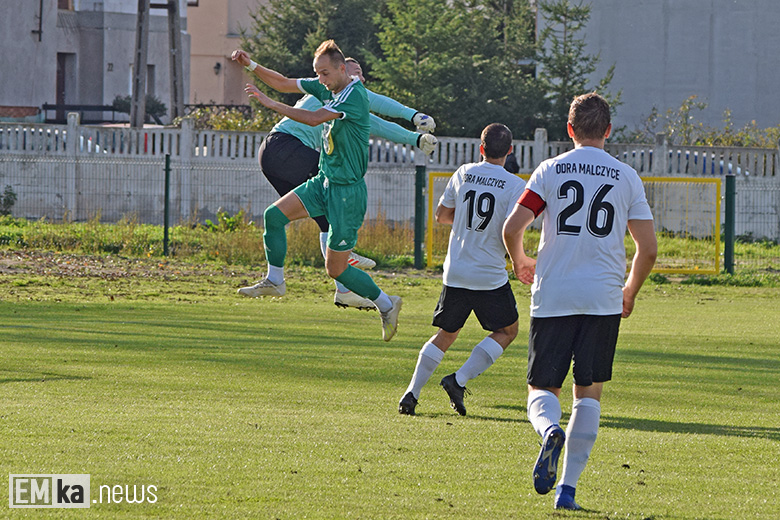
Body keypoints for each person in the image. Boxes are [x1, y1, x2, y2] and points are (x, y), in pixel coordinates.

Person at [502, 92, 657, 510]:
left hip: (555, 293)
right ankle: (567, 492)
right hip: (603, 297)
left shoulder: (551, 169)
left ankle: (550, 430)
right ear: (608, 131)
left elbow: (513, 226)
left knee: (541, 389)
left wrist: (520, 260)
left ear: (569, 130)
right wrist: (629, 291)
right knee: (588, 393)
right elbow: (648, 248)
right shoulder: (626, 176)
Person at [232, 50, 437, 311]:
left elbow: (378, 120)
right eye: (355, 72)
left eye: (362, 73)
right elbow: (285, 84)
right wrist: (253, 66)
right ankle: (342, 263)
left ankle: (319, 280)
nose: (360, 77)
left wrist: (414, 132)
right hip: (289, 150)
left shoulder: (350, 96)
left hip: (283, 156)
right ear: (343, 70)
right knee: (328, 219)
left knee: (288, 218)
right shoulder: (334, 89)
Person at [398, 123, 526, 416]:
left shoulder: (464, 172)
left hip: (455, 270)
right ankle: (458, 379)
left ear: (481, 149)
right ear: (509, 150)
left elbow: (442, 216)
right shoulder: (516, 185)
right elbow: (513, 228)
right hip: (488, 274)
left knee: (446, 333)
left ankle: (411, 392)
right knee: (507, 330)